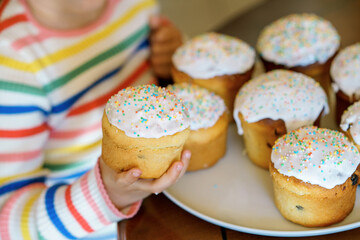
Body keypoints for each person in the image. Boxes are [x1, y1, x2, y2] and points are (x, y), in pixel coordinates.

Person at [0, 0, 190, 239]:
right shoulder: (12, 63)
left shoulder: (136, 5)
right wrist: (108, 195)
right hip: (91, 228)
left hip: (169, 200)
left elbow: (153, 79)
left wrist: (170, 61)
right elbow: (8, 225)